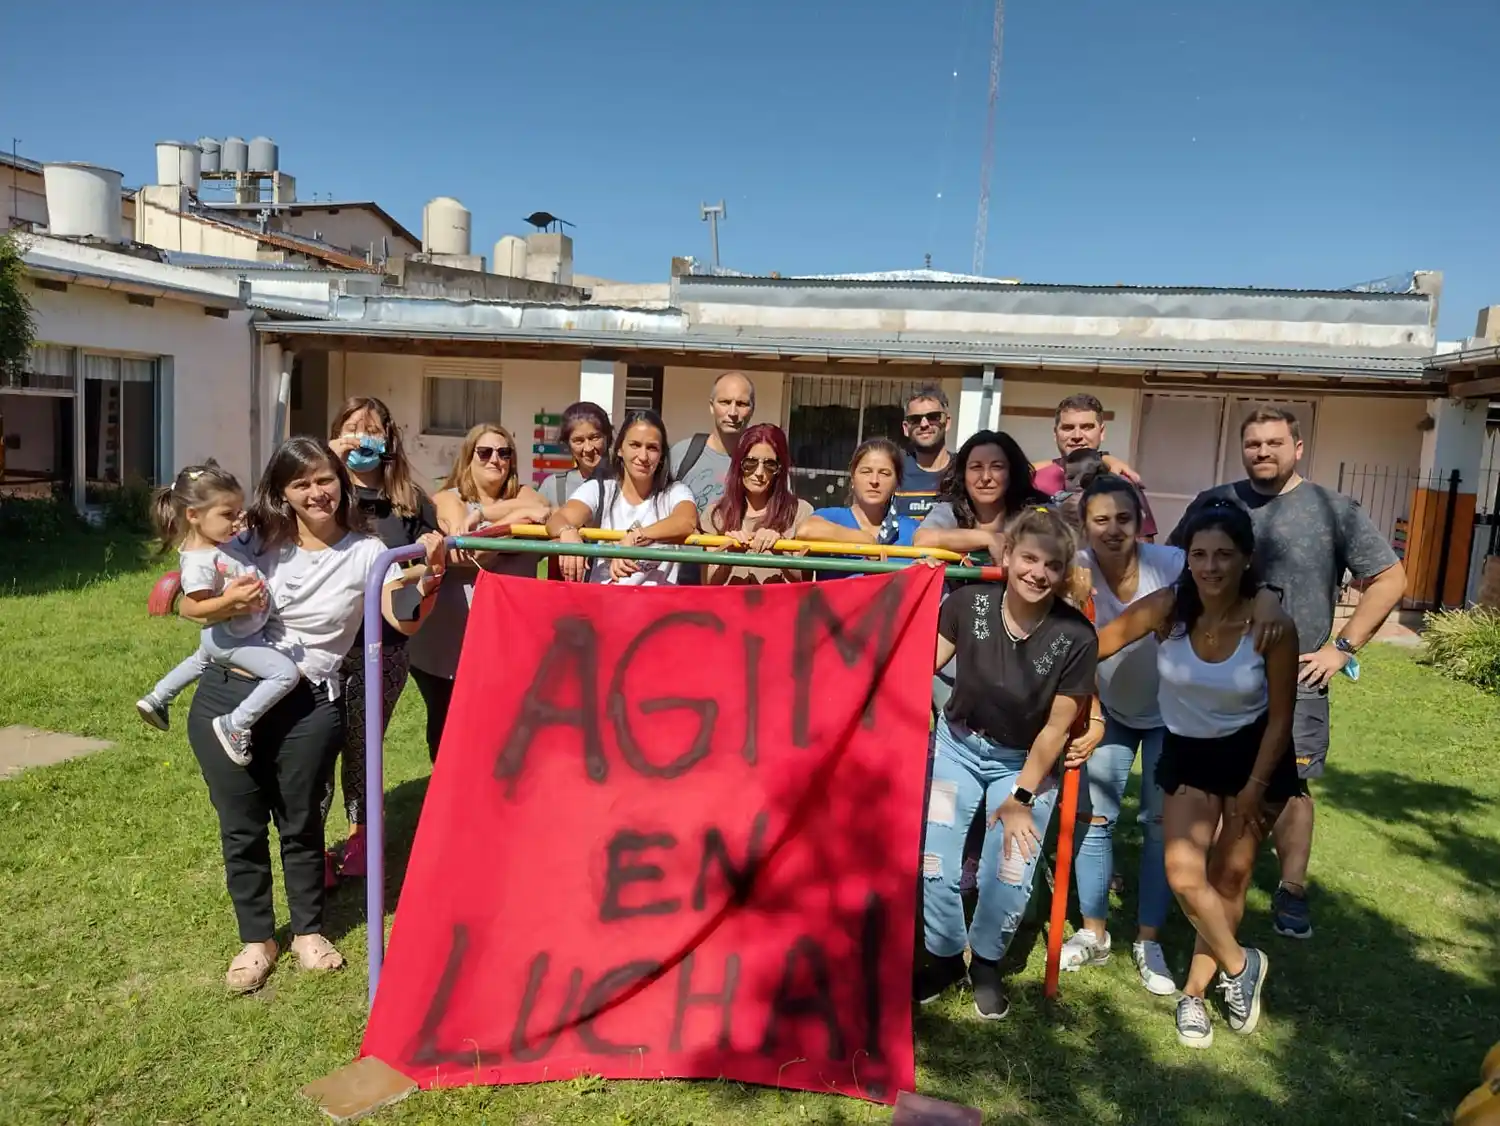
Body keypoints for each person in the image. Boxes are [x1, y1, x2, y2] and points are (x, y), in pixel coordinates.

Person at [179, 436, 446, 993]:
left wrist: (427, 580)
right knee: (241, 825)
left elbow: (404, 620)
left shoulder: (368, 552)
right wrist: (212, 603)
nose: (316, 492)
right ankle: (257, 939)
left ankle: (306, 932)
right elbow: (190, 592)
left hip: (307, 702)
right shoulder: (253, 538)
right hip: (228, 695)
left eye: (324, 479)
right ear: (282, 492)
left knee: (301, 821)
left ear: (341, 482)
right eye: (300, 483)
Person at [1172, 406, 1405, 940]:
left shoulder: (1333, 509)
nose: (1263, 452)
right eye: (1253, 443)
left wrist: (1342, 648)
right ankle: (1213, 879)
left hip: (1299, 675)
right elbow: (1174, 565)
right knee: (1214, 778)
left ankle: (1292, 890)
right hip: (1216, 673)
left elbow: (1390, 578)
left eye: (1275, 443)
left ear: (1298, 448)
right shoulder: (1215, 503)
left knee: (1293, 785)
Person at [1096, 500, 1300, 1047]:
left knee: (1229, 878)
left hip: (1254, 757)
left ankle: (1194, 995)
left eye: (1224, 556)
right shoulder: (1169, 607)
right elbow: (1094, 645)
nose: (1210, 566)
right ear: (1186, 558)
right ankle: (1242, 965)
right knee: (1186, 875)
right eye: (1199, 554)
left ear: (1246, 560)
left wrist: (1255, 788)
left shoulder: (1271, 624)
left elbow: (1283, 717)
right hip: (1187, 752)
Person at [916, 507, 1099, 1021]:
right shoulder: (969, 603)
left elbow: (1056, 729)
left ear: (1065, 572)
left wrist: (1021, 797)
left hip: (1025, 764)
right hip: (957, 747)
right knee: (934, 860)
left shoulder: (1076, 637)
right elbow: (919, 665)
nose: (1037, 573)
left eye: (1052, 565)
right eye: (1029, 558)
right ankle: (945, 955)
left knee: (1012, 869)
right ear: (1009, 554)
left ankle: (989, 964)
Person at [322, 396, 439, 880]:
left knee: (363, 744)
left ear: (388, 439)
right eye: (352, 429)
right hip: (322, 644)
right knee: (316, 747)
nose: (362, 439)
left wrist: (433, 558)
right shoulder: (322, 494)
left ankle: (362, 842)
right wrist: (326, 457)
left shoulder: (409, 501)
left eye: (372, 430)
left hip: (385, 645)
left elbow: (431, 567)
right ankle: (309, 850)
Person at [135, 462, 299, 767]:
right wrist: (231, 599)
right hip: (234, 638)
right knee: (285, 674)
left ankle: (158, 697)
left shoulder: (215, 544)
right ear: (193, 516)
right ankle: (235, 724)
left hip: (225, 635)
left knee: (201, 658)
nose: (237, 521)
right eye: (228, 514)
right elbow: (196, 607)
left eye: (238, 511)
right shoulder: (198, 563)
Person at [408, 423, 550, 762]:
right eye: (484, 452)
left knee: (501, 739)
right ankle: (449, 809)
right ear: (468, 458)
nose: (495, 460)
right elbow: (469, 550)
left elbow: (542, 512)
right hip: (446, 651)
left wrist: (484, 515)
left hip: (506, 649)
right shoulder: (448, 498)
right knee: (447, 737)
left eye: (503, 453)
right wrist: (515, 525)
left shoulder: (527, 495)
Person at [548, 408, 697, 586]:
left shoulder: (674, 492)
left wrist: (635, 538)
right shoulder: (600, 489)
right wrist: (567, 532)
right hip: (605, 606)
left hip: (658, 609)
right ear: (620, 449)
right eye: (635, 445)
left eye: (652, 448)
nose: (643, 456)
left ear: (662, 455)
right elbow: (559, 518)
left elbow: (686, 521)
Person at [700, 422, 813, 585]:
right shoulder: (715, 515)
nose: (759, 473)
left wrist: (780, 550)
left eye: (769, 465)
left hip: (778, 608)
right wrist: (730, 553)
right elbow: (708, 583)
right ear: (738, 464)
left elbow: (804, 581)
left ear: (780, 470)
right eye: (750, 463)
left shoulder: (801, 512)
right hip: (730, 608)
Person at [1032, 393, 1158, 539]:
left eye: (1087, 427)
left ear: (1102, 432)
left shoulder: (1122, 481)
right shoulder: (1035, 478)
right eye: (1068, 428)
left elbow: (1144, 545)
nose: (1077, 435)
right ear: (1055, 433)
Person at [795, 438, 921, 571]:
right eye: (866, 472)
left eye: (884, 473)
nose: (874, 481)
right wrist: (866, 541)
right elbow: (805, 530)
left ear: (897, 482)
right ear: (853, 478)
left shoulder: (911, 529)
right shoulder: (830, 517)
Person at [669, 372, 756, 513]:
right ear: (711, 406)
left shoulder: (764, 464)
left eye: (741, 404)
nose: (732, 412)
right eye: (725, 402)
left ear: (752, 410)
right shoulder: (682, 454)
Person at [892, 385, 953, 522]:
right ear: (906, 428)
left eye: (933, 417)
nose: (924, 424)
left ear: (947, 422)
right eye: (915, 419)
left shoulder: (964, 472)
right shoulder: (893, 471)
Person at [538, 401, 613, 508]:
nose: (588, 448)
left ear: (607, 437)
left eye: (594, 438)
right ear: (567, 444)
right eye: (579, 441)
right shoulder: (553, 487)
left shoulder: (625, 484)